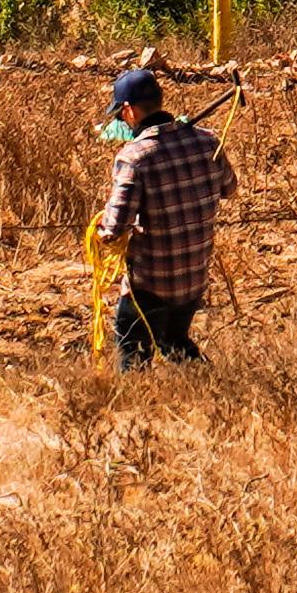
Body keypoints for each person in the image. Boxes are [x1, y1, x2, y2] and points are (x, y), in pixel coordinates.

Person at [93, 69, 236, 369]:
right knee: (174, 341)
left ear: (129, 110)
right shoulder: (208, 142)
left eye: (120, 113)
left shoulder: (133, 158)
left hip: (151, 283)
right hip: (194, 276)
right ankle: (211, 387)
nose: (121, 120)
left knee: (132, 347)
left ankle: (133, 406)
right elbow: (229, 188)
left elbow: (114, 229)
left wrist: (99, 231)